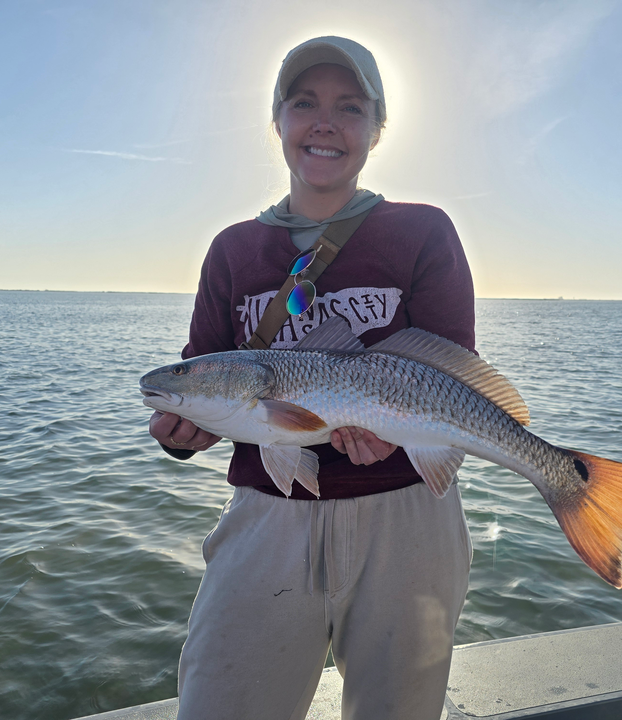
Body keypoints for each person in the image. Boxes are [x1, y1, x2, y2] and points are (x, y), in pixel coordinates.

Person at [149, 36, 476, 720]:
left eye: (349, 107)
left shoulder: (422, 232)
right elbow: (205, 374)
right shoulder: (234, 249)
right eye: (305, 103)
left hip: (407, 521)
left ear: (377, 129)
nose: (325, 121)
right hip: (266, 518)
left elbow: (455, 373)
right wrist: (181, 432)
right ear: (277, 122)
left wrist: (396, 438)